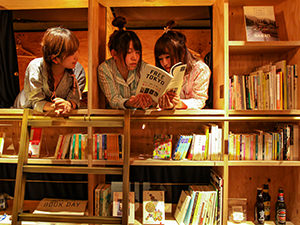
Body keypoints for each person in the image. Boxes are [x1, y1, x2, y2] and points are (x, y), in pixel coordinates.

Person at [13, 27, 86, 115]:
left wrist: (68, 104)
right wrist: (54, 106)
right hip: (23, 113)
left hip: (54, 115)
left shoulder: (78, 70)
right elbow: (35, 102)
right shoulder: (36, 67)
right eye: (70, 53)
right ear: (54, 58)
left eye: (76, 50)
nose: (76, 56)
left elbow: (74, 99)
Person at [98, 16, 153, 109]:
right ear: (114, 54)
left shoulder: (145, 68)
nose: (135, 58)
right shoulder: (105, 69)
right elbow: (114, 100)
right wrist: (128, 102)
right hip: (114, 119)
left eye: (137, 52)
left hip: (140, 117)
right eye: (129, 52)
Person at [154, 21, 211, 110]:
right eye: (160, 59)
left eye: (168, 57)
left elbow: (200, 101)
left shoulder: (200, 69)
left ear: (182, 53)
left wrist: (180, 104)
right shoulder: (162, 72)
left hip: (190, 120)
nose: (164, 63)